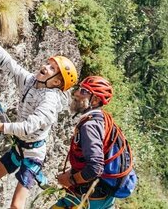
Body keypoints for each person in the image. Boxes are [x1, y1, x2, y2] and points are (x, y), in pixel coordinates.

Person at [0, 49, 78, 209]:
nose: (46, 66)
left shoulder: (50, 103)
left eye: (52, 68)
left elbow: (28, 128)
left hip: (33, 155)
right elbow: (9, 63)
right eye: (48, 63)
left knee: (16, 205)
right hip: (20, 147)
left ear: (56, 82)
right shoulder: (31, 82)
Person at [52, 76, 124, 209]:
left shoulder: (89, 126)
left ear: (95, 100)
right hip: (105, 198)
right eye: (79, 89)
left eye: (84, 91)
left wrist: (70, 180)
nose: (76, 94)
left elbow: (95, 167)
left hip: (87, 198)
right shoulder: (104, 119)